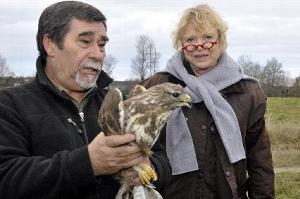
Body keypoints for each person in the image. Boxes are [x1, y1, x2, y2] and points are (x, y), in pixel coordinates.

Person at [0, 1, 170, 199]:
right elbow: (7, 178)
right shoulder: (9, 104)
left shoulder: (118, 101)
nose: (98, 54)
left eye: (102, 44)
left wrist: (149, 167)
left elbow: (163, 162)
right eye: (85, 42)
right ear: (51, 44)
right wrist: (88, 163)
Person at [141, 4, 274, 199]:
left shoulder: (247, 92)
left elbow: (259, 160)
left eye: (208, 38)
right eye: (190, 40)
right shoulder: (157, 86)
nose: (199, 47)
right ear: (181, 44)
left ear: (221, 41)